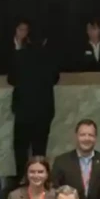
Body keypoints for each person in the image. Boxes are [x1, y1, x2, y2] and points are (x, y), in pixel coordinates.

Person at [8, 22, 59, 173]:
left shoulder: (20, 56)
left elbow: (11, 79)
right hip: (44, 110)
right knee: (39, 149)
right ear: (45, 41)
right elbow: (55, 78)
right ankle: (39, 178)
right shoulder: (50, 59)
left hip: (23, 110)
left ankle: (22, 179)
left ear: (27, 39)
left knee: (21, 149)